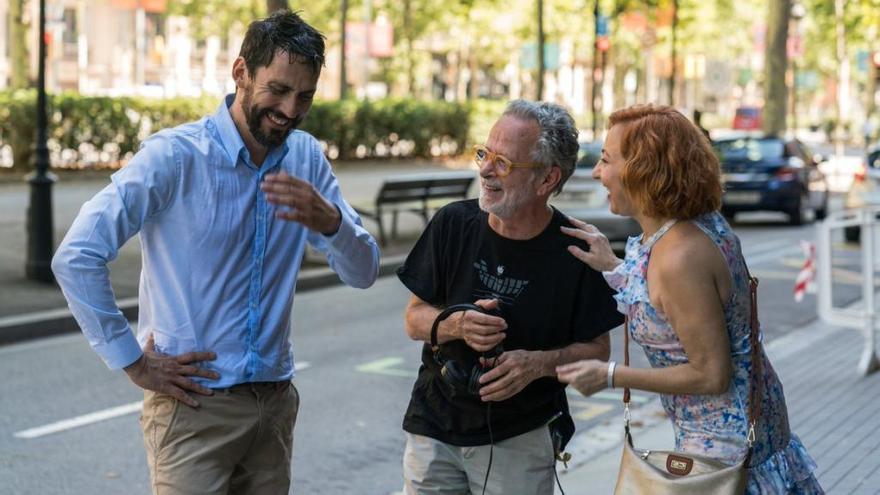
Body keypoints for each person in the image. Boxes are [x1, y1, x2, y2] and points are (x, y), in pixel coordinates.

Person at [51, 11, 379, 494]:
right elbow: (77, 255)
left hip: (274, 406)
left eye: (304, 96)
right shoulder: (174, 157)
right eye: (278, 90)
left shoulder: (306, 158)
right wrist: (133, 362)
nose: (290, 109)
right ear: (241, 73)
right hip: (193, 410)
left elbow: (365, 271)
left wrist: (331, 221)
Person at [556, 104, 823, 493]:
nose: (598, 172)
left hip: (725, 458)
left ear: (642, 170)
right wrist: (613, 265)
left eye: (606, 160)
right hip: (747, 437)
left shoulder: (680, 256)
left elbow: (711, 374)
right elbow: (664, 303)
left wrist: (610, 375)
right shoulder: (693, 228)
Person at [396, 100, 623, 494]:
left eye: (503, 162)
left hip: (521, 438)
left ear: (547, 179)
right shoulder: (454, 222)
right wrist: (455, 325)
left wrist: (538, 364)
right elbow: (414, 319)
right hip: (434, 427)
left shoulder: (576, 249)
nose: (485, 169)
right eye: (485, 153)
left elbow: (597, 351)